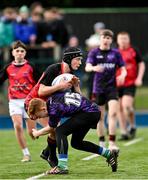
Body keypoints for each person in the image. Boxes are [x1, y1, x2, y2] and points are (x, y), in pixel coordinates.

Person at [27, 89, 118, 174]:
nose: (40, 118)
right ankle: (108, 153)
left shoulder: (53, 108)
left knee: (60, 131)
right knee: (76, 143)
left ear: (43, 109)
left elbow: (51, 128)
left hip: (88, 112)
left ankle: (62, 166)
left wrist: (37, 133)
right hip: (92, 111)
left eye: (38, 116)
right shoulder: (52, 99)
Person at [24, 47, 83, 166]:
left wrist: (77, 88)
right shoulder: (54, 69)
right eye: (78, 59)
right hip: (35, 104)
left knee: (57, 129)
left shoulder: (70, 75)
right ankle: (51, 156)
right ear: (69, 59)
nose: (80, 63)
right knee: (56, 128)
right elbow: (41, 92)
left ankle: (47, 153)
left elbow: (79, 99)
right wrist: (60, 86)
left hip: (50, 106)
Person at [85, 29, 127, 151]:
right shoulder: (94, 52)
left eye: (108, 38)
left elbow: (123, 67)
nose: (106, 39)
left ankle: (112, 142)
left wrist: (123, 74)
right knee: (100, 117)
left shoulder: (115, 53)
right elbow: (87, 67)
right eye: (104, 37)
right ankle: (102, 141)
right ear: (100, 38)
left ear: (111, 40)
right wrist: (93, 68)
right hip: (98, 89)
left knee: (113, 114)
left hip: (112, 88)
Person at [0, 40, 42, 162]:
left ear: (25, 53)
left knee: (32, 133)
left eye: (22, 51)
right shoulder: (8, 68)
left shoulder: (31, 66)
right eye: (17, 51)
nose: (19, 53)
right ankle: (26, 154)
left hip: (29, 101)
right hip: (14, 101)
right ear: (13, 52)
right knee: (17, 125)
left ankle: (48, 145)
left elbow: (40, 82)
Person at [116, 31, 145, 140]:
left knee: (127, 106)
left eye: (125, 38)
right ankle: (124, 131)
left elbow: (141, 64)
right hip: (117, 84)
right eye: (121, 38)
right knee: (119, 108)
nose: (123, 41)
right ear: (117, 40)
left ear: (129, 40)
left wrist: (139, 78)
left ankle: (132, 125)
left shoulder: (134, 50)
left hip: (130, 83)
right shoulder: (115, 52)